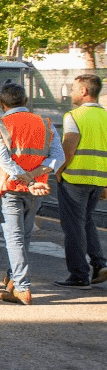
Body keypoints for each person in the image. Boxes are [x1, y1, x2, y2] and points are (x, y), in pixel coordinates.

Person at [0, 83, 64, 305]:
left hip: (12, 188)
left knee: (14, 238)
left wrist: (25, 177)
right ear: (25, 101)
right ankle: (13, 279)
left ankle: (21, 287)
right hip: (37, 189)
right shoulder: (45, 123)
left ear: (2, 104)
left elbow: (4, 160)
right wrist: (35, 176)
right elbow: (57, 157)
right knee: (25, 236)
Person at [55, 74, 107, 288]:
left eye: (74, 89)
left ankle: (78, 275)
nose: (71, 93)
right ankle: (99, 264)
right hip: (98, 178)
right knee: (85, 221)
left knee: (73, 227)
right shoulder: (105, 116)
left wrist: (58, 171)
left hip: (75, 178)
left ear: (84, 91)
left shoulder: (74, 116)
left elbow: (69, 148)